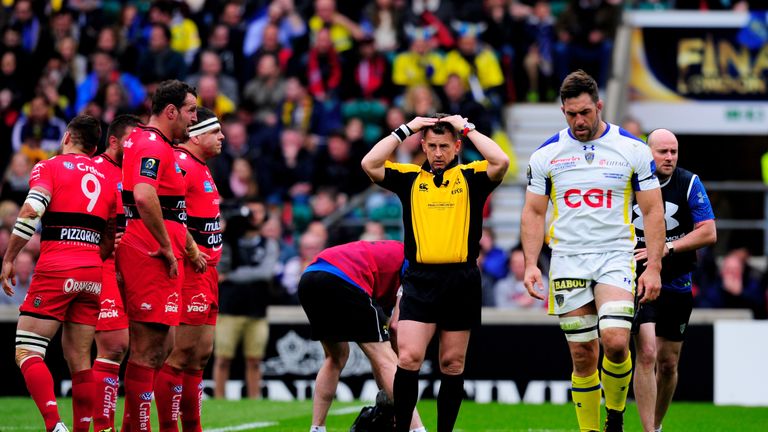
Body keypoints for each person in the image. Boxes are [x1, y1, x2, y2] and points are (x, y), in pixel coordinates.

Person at [521, 70, 666, 432]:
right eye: (570, 114)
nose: (578, 121)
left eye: (585, 112)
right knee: (583, 355)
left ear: (599, 105)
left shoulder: (632, 148)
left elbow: (652, 210)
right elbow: (534, 212)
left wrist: (655, 267)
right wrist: (529, 264)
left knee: (616, 342)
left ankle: (614, 414)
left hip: (615, 255)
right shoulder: (547, 154)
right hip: (568, 258)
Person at [361, 113, 509, 431]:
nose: (438, 153)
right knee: (409, 357)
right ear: (423, 147)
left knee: (452, 363)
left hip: (462, 280)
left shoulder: (471, 177)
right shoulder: (411, 179)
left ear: (456, 147)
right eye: (432, 146)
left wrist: (466, 127)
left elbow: (501, 161)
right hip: (420, 279)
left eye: (444, 146)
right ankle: (403, 428)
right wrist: (407, 128)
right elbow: (370, 164)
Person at [1, 115, 115, 432]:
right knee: (80, 359)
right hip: (92, 269)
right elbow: (111, 233)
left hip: (57, 263)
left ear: (67, 137)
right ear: (95, 147)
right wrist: (91, 259)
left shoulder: (49, 167)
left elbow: (31, 210)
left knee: (27, 348)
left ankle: (54, 425)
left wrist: (10, 257)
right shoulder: (107, 176)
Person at [116, 80, 198, 432]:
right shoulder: (151, 143)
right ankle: (139, 428)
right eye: (191, 111)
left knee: (164, 346)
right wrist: (166, 245)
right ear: (171, 111)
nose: (194, 119)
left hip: (159, 253)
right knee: (148, 350)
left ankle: (133, 425)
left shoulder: (151, 142)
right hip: (150, 253)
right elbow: (146, 195)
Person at [631, 129, 716, 432]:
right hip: (639, 279)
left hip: (677, 281)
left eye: (673, 152)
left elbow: (709, 232)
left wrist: (666, 247)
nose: (669, 158)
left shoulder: (689, 182)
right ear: (647, 152)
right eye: (662, 152)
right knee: (647, 353)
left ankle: (657, 424)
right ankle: (647, 430)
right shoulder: (630, 182)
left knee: (667, 364)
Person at [298, 240, 426, 432]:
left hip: (310, 278)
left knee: (335, 357)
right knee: (385, 358)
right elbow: (396, 327)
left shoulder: (394, 256)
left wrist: (387, 390)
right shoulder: (416, 263)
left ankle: (317, 428)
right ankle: (417, 429)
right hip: (344, 279)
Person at [156, 107, 225, 431]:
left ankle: (192, 426)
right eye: (216, 132)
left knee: (201, 355)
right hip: (189, 269)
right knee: (180, 354)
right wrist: (192, 249)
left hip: (208, 272)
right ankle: (170, 426)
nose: (222, 137)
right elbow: (166, 211)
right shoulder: (180, 164)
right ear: (198, 136)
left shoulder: (201, 166)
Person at [91, 114, 141, 432]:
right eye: (130, 141)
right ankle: (102, 426)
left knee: (143, 347)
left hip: (132, 267)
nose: (136, 146)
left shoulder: (134, 174)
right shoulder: (95, 170)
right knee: (113, 345)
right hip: (100, 264)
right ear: (113, 141)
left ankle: (131, 425)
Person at [214, 199, 278, 399]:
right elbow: (219, 269)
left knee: (255, 360)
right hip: (229, 308)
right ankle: (219, 398)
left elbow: (265, 273)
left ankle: (254, 397)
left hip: (257, 310)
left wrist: (231, 276)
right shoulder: (229, 238)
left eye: (258, 211)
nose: (253, 216)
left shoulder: (269, 243)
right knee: (223, 359)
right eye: (250, 211)